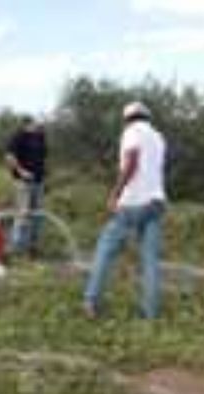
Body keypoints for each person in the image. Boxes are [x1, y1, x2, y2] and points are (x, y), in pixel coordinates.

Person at [83, 102, 168, 319]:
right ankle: (150, 313)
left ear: (127, 119)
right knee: (150, 259)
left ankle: (91, 302)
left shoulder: (131, 132)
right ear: (147, 117)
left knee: (105, 250)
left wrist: (115, 193)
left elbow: (131, 162)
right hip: (156, 202)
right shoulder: (158, 137)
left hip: (132, 202)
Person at [5, 116, 47, 255]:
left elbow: (42, 157)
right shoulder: (18, 136)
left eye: (39, 123)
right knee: (23, 214)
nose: (38, 125)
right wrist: (21, 171)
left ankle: (33, 248)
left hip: (39, 182)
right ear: (27, 124)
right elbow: (9, 157)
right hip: (23, 183)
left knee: (38, 216)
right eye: (35, 123)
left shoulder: (41, 136)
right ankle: (16, 248)